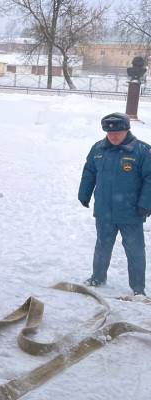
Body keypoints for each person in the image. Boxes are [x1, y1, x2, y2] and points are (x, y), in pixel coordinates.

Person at [78, 112, 151, 296]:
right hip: (104, 210)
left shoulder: (143, 151)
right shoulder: (98, 149)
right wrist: (84, 193)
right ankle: (98, 277)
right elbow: (89, 172)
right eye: (110, 133)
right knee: (102, 245)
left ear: (127, 129)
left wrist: (146, 203)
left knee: (135, 251)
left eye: (118, 132)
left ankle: (138, 288)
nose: (114, 136)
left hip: (131, 212)